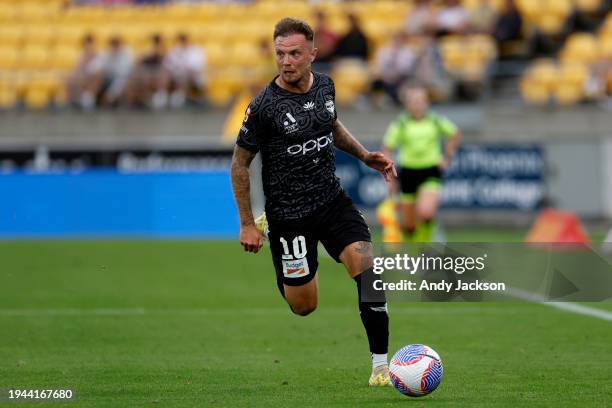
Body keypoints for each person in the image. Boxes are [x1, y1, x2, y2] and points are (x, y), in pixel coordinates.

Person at [231, 18, 396, 387]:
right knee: (304, 306)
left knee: (369, 271)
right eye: (280, 54)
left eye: (294, 53)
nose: (286, 61)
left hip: (331, 200)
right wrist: (246, 222)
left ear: (312, 55)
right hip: (288, 216)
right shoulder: (264, 107)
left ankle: (380, 366)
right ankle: (284, 260)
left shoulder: (325, 85)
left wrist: (364, 154)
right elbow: (239, 163)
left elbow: (332, 125)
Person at [383, 86, 461, 243]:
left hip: (430, 170)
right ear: (407, 104)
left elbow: (455, 135)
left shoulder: (435, 120)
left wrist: (446, 158)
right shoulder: (401, 124)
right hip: (407, 172)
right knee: (409, 227)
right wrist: (389, 175)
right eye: (413, 101)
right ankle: (416, 254)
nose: (417, 104)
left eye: (420, 101)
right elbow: (387, 148)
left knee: (426, 213)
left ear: (427, 103)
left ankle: (429, 249)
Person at [164, 33, 207, 108]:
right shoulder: (175, 50)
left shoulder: (196, 50)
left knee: (186, 76)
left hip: (193, 74)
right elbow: (169, 64)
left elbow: (198, 65)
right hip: (177, 74)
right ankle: (163, 95)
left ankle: (179, 96)